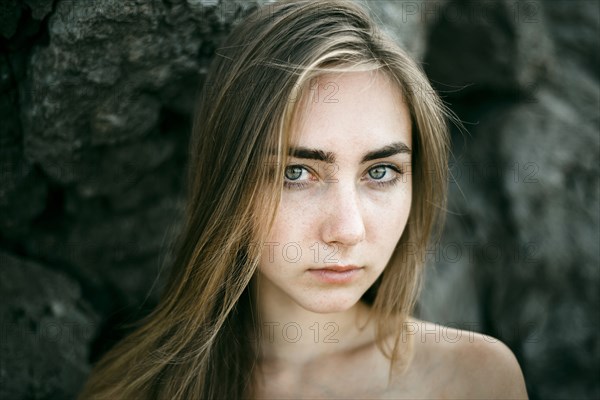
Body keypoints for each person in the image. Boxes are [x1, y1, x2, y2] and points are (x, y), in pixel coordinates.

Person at [79, 0, 529, 398]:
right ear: (228, 182)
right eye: (297, 173)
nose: (347, 230)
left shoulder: (474, 379)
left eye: (380, 172)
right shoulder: (140, 388)